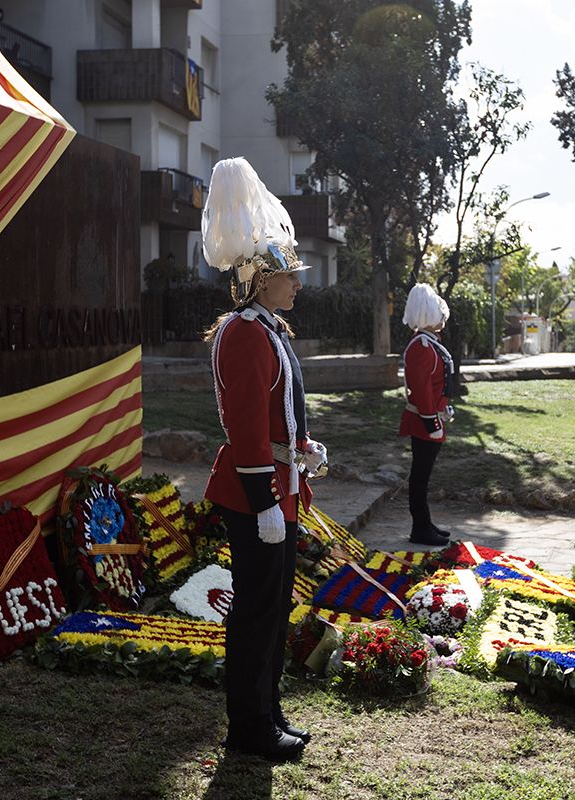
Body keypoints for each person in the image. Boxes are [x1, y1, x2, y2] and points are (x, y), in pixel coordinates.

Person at [201, 157, 327, 762]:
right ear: (260, 278)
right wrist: (264, 501)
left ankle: (267, 712)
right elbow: (245, 427)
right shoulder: (245, 332)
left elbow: (280, 415)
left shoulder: (267, 327)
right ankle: (248, 728)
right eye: (289, 275)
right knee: (255, 613)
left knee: (274, 611)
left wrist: (302, 449)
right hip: (259, 496)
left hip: (280, 486)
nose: (298, 283)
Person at [399, 283, 456, 546]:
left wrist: (442, 409)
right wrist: (433, 421)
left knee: (423, 477)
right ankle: (420, 528)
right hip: (425, 423)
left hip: (431, 420)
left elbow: (434, 386)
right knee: (420, 477)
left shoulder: (428, 343)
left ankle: (425, 523)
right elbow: (421, 393)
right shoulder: (422, 346)